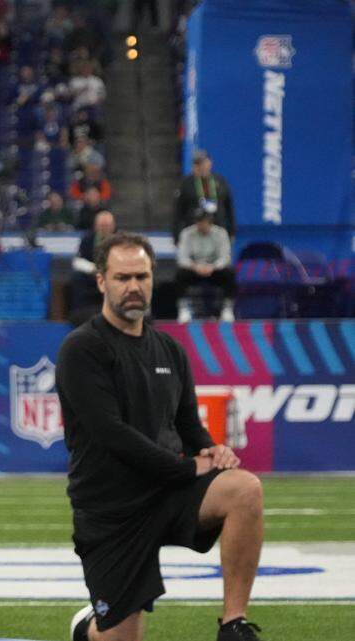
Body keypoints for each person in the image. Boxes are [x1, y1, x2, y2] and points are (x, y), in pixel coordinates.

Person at [58, 231, 265, 641]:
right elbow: (111, 434)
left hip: (168, 493)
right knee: (120, 638)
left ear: (154, 278)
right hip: (111, 509)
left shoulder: (170, 350)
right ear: (101, 281)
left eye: (142, 276)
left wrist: (211, 449)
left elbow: (187, 423)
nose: (134, 286)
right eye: (122, 278)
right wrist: (188, 467)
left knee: (244, 490)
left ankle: (233, 625)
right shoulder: (82, 349)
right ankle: (88, 630)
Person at [176, 210, 236, 323]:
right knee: (180, 274)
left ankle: (227, 309)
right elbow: (182, 258)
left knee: (230, 273)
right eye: (198, 222)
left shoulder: (221, 233)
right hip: (195, 269)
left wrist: (212, 267)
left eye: (203, 222)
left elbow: (225, 257)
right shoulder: (187, 233)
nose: (201, 225)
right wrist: (195, 266)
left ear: (210, 222)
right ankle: (184, 308)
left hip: (214, 270)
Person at [174, 150, 235, 242]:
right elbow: (178, 212)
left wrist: (232, 231)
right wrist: (177, 236)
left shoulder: (220, 181)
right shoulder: (186, 184)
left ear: (210, 163)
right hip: (194, 233)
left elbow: (229, 208)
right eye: (197, 164)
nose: (200, 167)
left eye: (203, 163)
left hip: (218, 230)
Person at [70, 209, 115, 320]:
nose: (104, 229)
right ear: (95, 226)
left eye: (107, 226)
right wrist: (93, 269)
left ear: (113, 226)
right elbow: (78, 261)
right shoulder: (87, 240)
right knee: (77, 277)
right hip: (92, 275)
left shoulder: (119, 241)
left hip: (113, 274)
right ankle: (80, 313)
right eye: (102, 226)